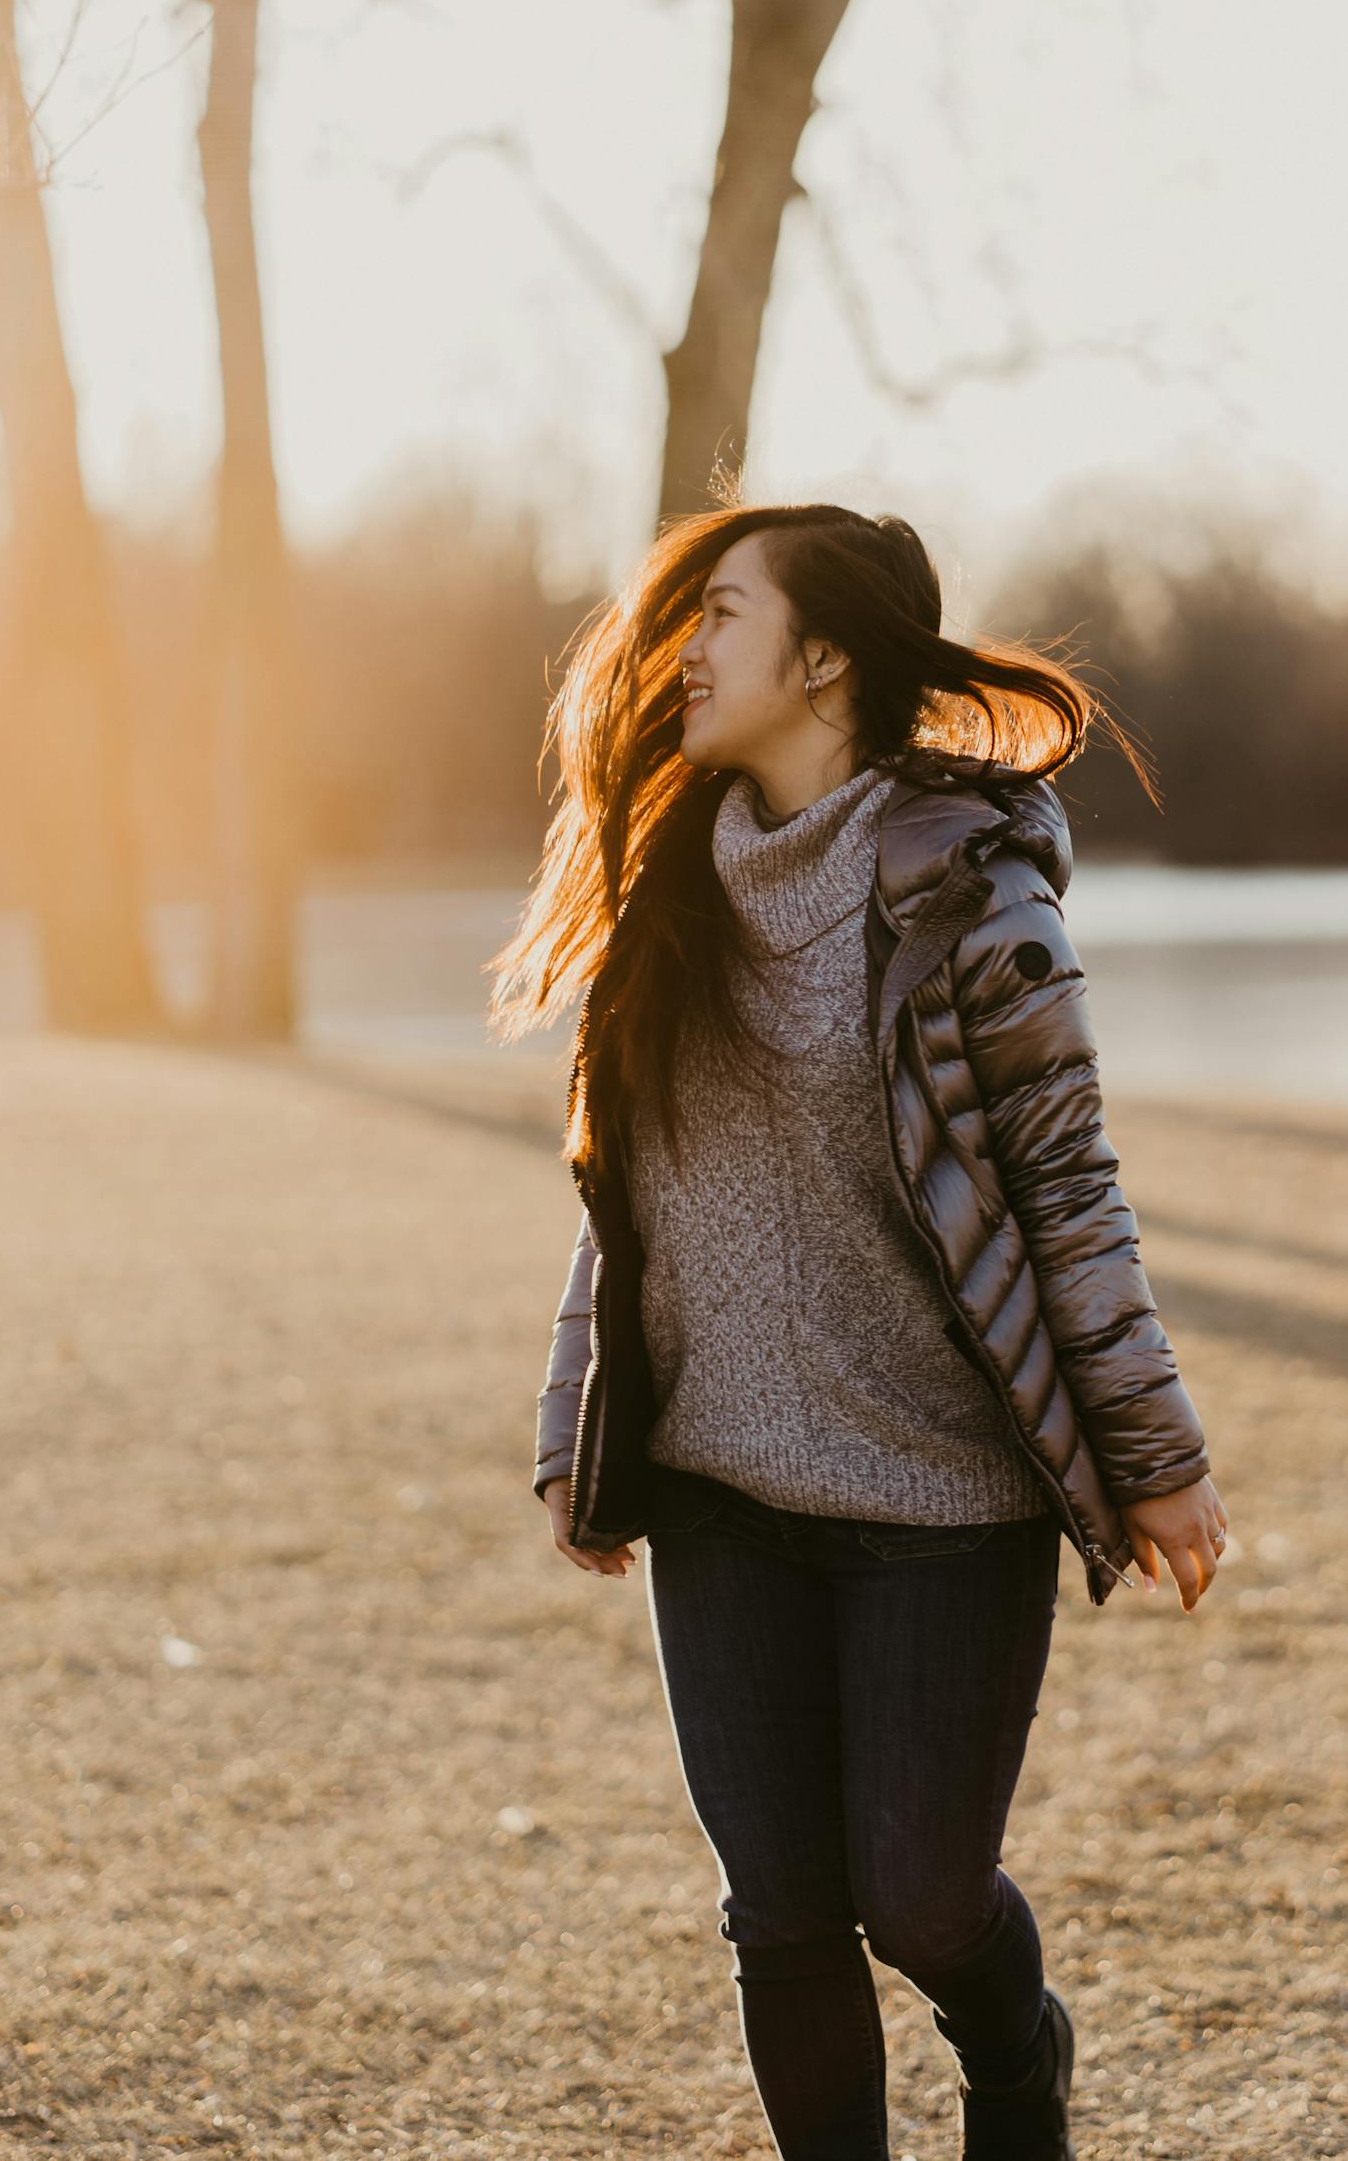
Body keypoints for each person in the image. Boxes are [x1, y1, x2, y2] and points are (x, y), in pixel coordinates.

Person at [490, 502, 1227, 2161]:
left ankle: (1018, 2055)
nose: (680, 651)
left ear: (823, 656)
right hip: (720, 1491)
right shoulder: (665, 885)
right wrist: (574, 1429)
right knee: (784, 1915)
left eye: (720, 613)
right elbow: (628, 1188)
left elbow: (1066, 1187)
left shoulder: (971, 897)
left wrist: (1156, 1455)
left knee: (922, 1900)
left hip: (939, 1504)